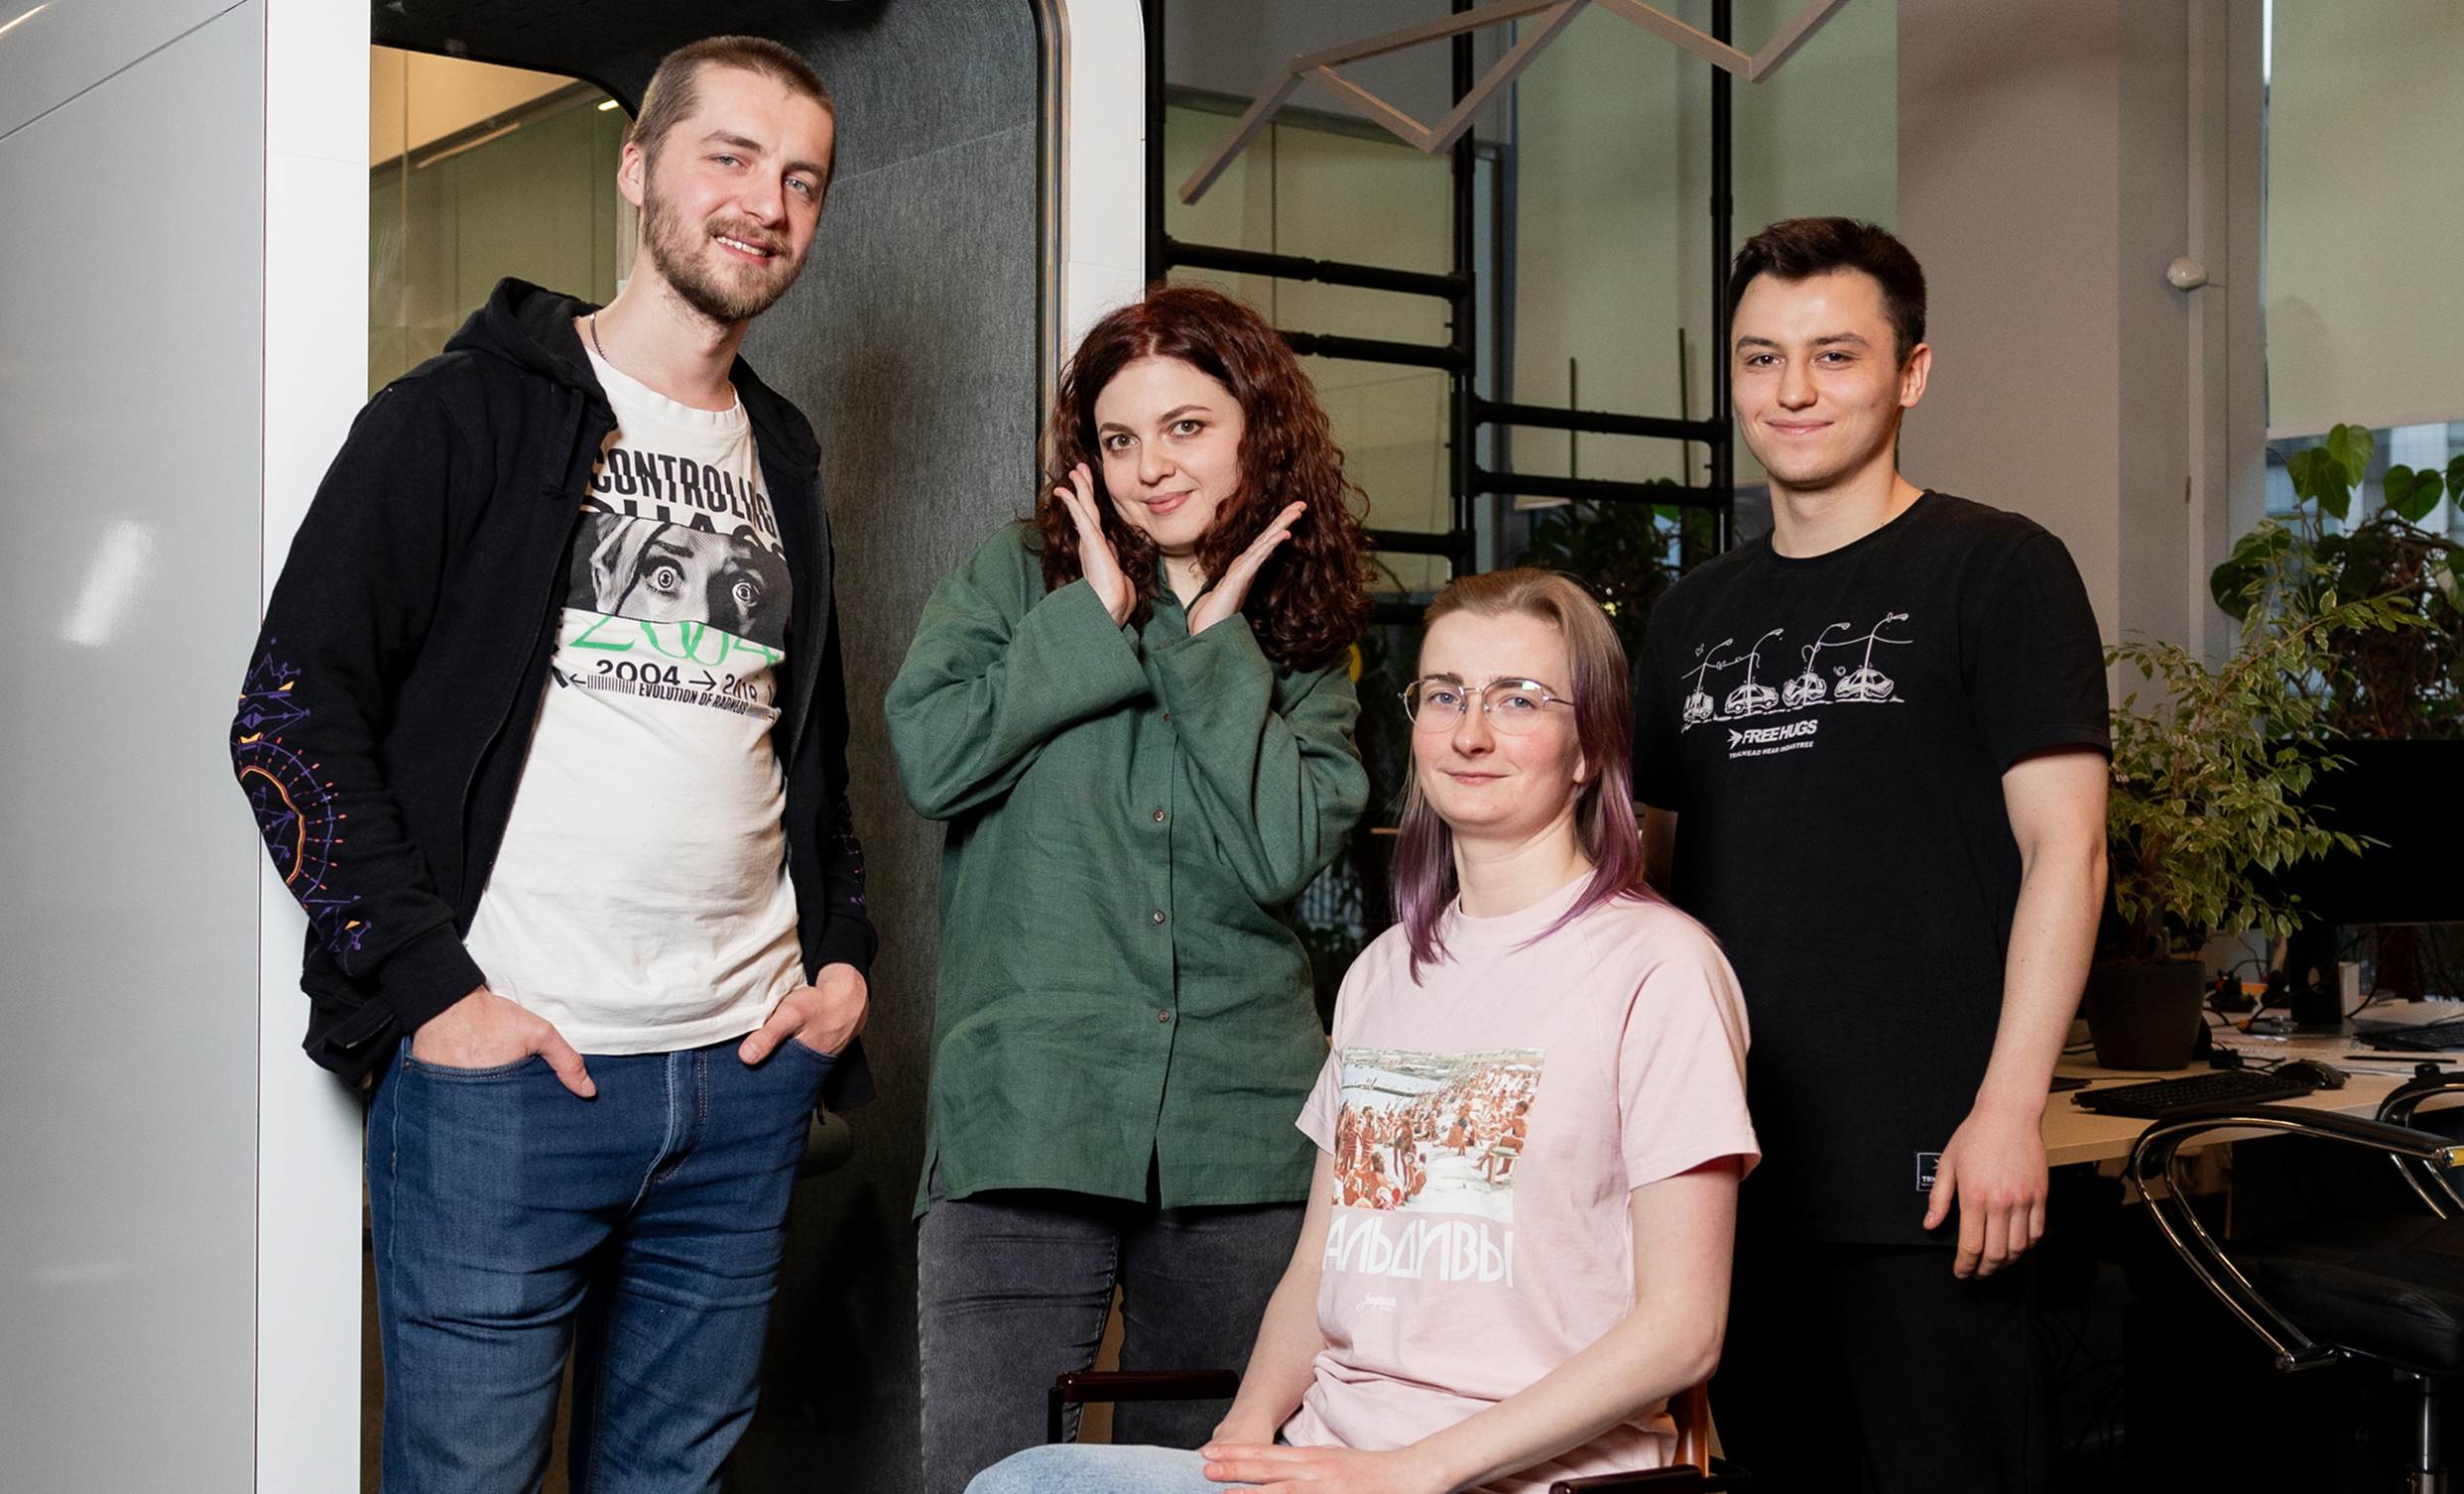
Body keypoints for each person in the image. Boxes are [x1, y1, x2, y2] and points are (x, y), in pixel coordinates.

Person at [229, 37, 872, 1492]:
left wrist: (841, 959)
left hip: (742, 1075)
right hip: (514, 1079)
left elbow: (808, 747)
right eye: (729, 157)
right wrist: (431, 992)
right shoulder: (458, 416)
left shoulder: (784, 457)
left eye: (802, 179)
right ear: (637, 168)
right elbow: (287, 717)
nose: (766, 203)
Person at [968, 567, 1759, 1494]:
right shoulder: (1384, 972)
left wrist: (1414, 1471)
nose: (1471, 733)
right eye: (1446, 695)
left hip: (1522, 1479)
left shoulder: (1661, 969)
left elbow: (1682, 1332)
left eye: (1519, 699)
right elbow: (1320, 1267)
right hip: (1331, 1459)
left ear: (1589, 748)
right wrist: (1240, 1442)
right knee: (1026, 1480)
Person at [1636, 217, 2110, 1491]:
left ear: (1912, 373)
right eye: (1760, 357)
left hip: (1935, 1173)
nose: (1792, 389)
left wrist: (2008, 1110)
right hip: (1729, 1169)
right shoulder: (1690, 617)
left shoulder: (1998, 569)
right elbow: (1650, 894)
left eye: (1835, 355)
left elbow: (2067, 851)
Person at [886, 284, 1376, 1493]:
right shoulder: (1018, 577)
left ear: (1259, 429)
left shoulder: (1307, 628)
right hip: (1027, 1113)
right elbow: (932, 755)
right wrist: (1093, 622)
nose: (1150, 468)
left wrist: (1211, 642)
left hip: (1239, 1135)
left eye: (1186, 427)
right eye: (1118, 439)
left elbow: (1283, 851)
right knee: (989, 1481)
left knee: (1220, 1483)